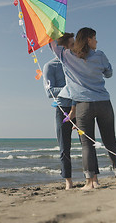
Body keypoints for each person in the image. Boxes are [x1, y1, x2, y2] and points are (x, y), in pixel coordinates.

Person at [49, 27, 116, 190]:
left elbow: (54, 45)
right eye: (95, 38)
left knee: (87, 145)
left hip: (84, 106)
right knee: (110, 141)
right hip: (104, 103)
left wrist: (51, 29)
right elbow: (109, 73)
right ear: (89, 39)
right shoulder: (100, 55)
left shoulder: (68, 56)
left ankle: (91, 182)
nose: (97, 41)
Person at [42, 33, 76, 190]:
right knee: (64, 147)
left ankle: (92, 176)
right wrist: (70, 89)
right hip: (62, 109)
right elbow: (49, 92)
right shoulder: (50, 66)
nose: (60, 46)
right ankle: (68, 181)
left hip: (80, 105)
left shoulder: (74, 62)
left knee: (87, 142)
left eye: (62, 43)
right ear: (51, 47)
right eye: (56, 44)